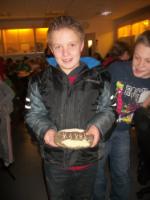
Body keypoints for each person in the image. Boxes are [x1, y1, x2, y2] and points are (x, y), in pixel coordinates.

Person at [25, 15, 116, 200]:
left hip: (88, 160)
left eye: (71, 45)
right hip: (55, 161)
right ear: (51, 49)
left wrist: (97, 127)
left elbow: (109, 109)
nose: (65, 53)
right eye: (58, 46)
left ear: (81, 45)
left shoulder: (100, 78)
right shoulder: (38, 81)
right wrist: (45, 131)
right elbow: (33, 113)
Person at [94, 30, 150, 200]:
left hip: (122, 132)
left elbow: (143, 107)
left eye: (148, 61)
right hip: (101, 129)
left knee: (122, 175)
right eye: (137, 57)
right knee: (97, 175)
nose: (139, 65)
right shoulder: (117, 68)